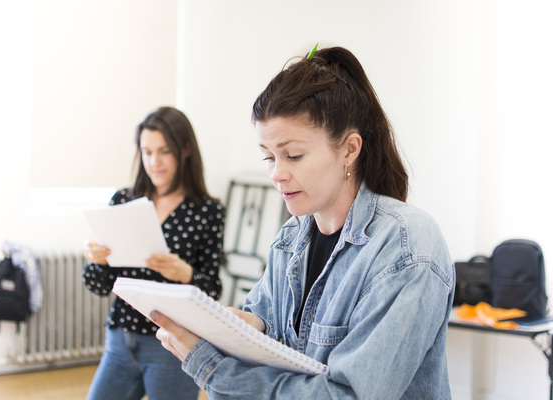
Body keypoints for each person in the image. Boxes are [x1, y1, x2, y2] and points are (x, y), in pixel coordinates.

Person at [152, 46, 455, 399]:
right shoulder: (290, 238)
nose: (277, 174)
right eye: (269, 157)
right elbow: (263, 328)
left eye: (293, 155)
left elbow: (348, 395)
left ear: (349, 150)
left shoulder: (408, 247)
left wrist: (211, 366)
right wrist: (245, 329)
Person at [82, 106, 225, 400]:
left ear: (185, 150)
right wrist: (97, 261)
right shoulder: (124, 200)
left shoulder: (208, 211)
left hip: (174, 344)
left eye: (164, 151)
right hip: (122, 339)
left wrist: (185, 274)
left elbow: (212, 289)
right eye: (147, 152)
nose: (154, 161)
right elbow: (96, 285)